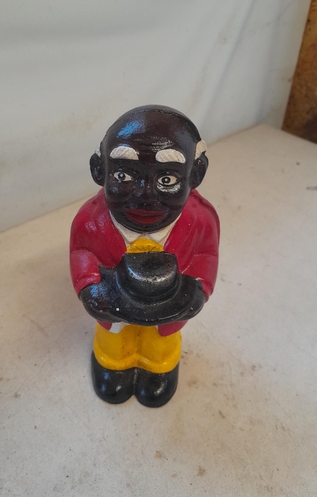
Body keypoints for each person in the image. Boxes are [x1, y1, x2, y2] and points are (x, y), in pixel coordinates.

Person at [70, 105, 220, 407]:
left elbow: (206, 255)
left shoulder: (201, 220)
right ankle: (113, 363)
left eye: (167, 179)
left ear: (195, 174)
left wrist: (198, 289)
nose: (145, 195)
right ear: (99, 170)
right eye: (123, 175)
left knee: (160, 341)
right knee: (114, 338)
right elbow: (81, 252)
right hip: (111, 303)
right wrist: (90, 288)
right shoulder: (90, 220)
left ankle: (158, 368)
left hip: (170, 309)